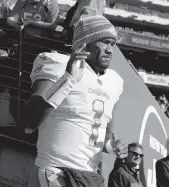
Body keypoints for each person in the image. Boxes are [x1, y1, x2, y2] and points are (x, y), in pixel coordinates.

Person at [19, 9, 128, 187]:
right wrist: (68, 79)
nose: (110, 50)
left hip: (91, 176)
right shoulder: (57, 63)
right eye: (105, 42)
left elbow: (97, 130)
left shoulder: (114, 82)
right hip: (57, 172)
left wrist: (112, 145)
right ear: (85, 43)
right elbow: (28, 124)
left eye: (113, 44)